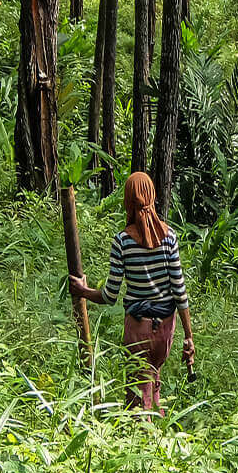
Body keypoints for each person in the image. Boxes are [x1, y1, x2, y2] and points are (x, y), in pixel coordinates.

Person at [70, 172, 195, 413]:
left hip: (138, 331)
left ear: (127, 201)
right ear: (153, 196)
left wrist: (83, 291)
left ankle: (143, 442)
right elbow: (179, 290)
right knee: (153, 383)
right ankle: (159, 435)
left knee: (138, 397)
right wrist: (189, 336)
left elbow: (110, 295)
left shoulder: (122, 242)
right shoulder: (170, 238)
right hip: (165, 332)